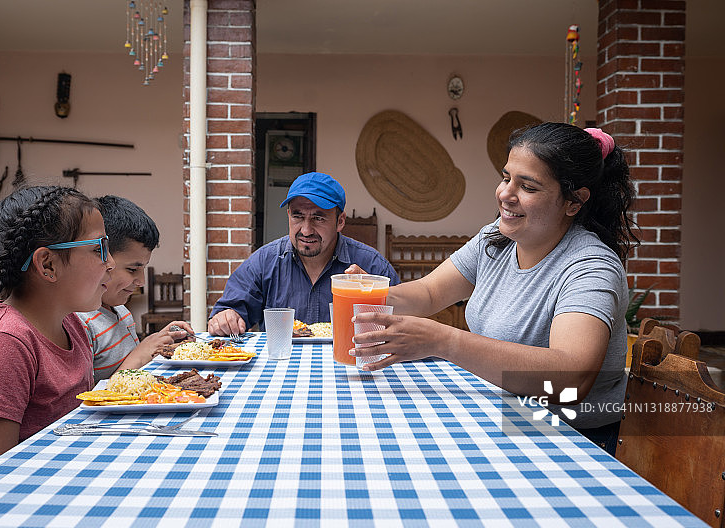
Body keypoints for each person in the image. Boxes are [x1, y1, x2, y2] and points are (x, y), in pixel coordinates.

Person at [350, 123, 637, 455]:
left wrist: (444, 341)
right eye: (506, 178)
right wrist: (369, 293)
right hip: (503, 418)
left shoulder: (589, 266)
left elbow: (571, 378)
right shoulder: (495, 241)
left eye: (527, 186)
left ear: (574, 202)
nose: (504, 194)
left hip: (572, 441)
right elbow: (430, 293)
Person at [0, 185, 114, 493]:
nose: (110, 262)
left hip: (56, 483)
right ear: (47, 265)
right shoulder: (1, 346)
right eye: (100, 248)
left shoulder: (69, 323)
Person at [208, 172, 400, 335]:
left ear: (340, 221)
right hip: (281, 371)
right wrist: (226, 318)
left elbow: (403, 324)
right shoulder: (264, 262)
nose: (306, 230)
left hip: (350, 371)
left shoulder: (372, 265)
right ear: (288, 215)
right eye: (298, 216)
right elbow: (227, 313)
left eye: (318, 218)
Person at [76, 195, 194, 383]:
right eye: (132, 269)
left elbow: (134, 372)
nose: (141, 281)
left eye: (143, 269)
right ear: (102, 259)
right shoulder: (79, 324)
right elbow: (89, 400)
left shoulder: (122, 313)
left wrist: (160, 342)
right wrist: (140, 354)